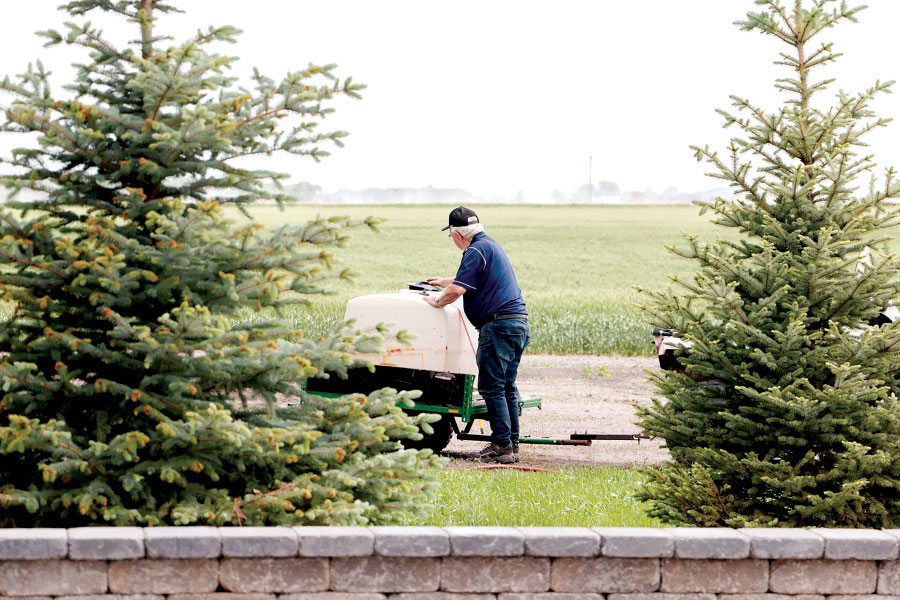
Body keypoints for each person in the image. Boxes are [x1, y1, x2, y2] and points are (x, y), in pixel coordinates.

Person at [424, 206, 530, 463]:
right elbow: (470, 278)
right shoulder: (489, 246)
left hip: (498, 327)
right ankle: (511, 445)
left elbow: (459, 290)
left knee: (491, 386)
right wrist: (444, 281)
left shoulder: (473, 251)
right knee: (505, 386)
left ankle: (500, 446)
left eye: (451, 236)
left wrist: (437, 301)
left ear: (458, 234)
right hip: (517, 324)